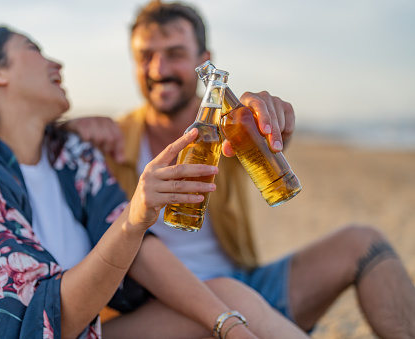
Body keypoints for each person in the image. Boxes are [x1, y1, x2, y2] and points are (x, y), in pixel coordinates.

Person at [0, 26, 311, 339]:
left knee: (229, 296)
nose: (57, 64)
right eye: (34, 50)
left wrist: (227, 323)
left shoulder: (71, 157)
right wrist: (133, 222)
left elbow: (142, 254)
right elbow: (32, 324)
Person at [67, 1, 415, 338]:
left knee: (363, 241)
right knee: (227, 293)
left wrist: (276, 127)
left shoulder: (229, 125)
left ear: (205, 62)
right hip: (154, 310)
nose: (158, 69)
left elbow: (264, 151)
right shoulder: (111, 141)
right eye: (146, 57)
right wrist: (67, 130)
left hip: (243, 285)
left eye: (174, 53)